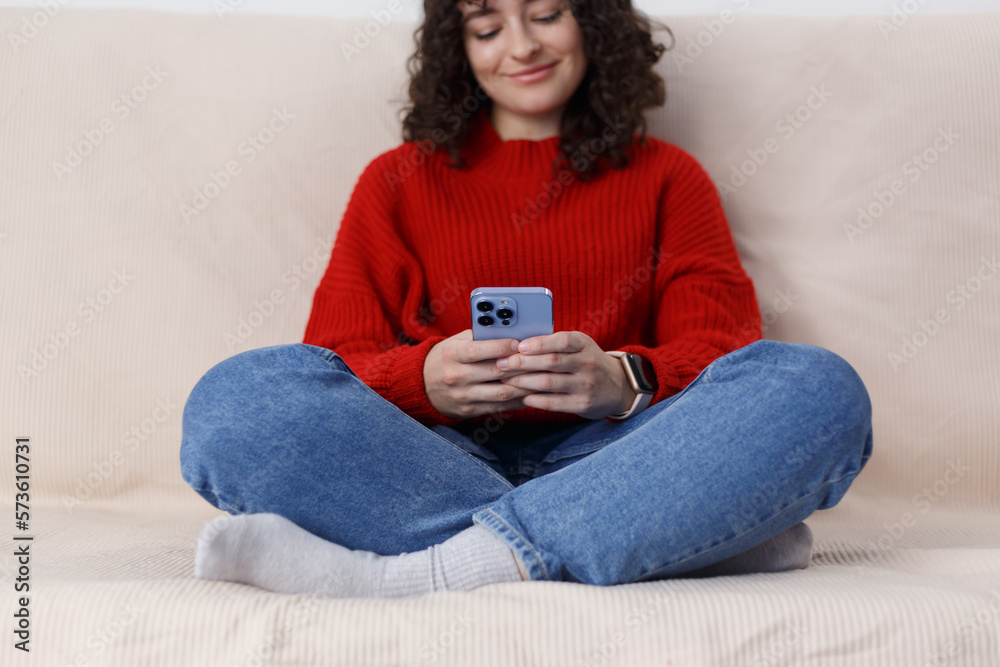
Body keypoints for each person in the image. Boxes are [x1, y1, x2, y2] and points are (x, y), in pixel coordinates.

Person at [179, 0, 873, 598]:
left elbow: (726, 353)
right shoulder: (395, 182)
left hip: (622, 455)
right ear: (459, 50)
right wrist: (423, 382)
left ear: (593, 23)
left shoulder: (668, 177)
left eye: (546, 14)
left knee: (817, 389)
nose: (522, 46)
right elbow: (328, 364)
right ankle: (677, 537)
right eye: (487, 27)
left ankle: (435, 570)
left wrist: (623, 379)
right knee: (229, 402)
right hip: (424, 461)